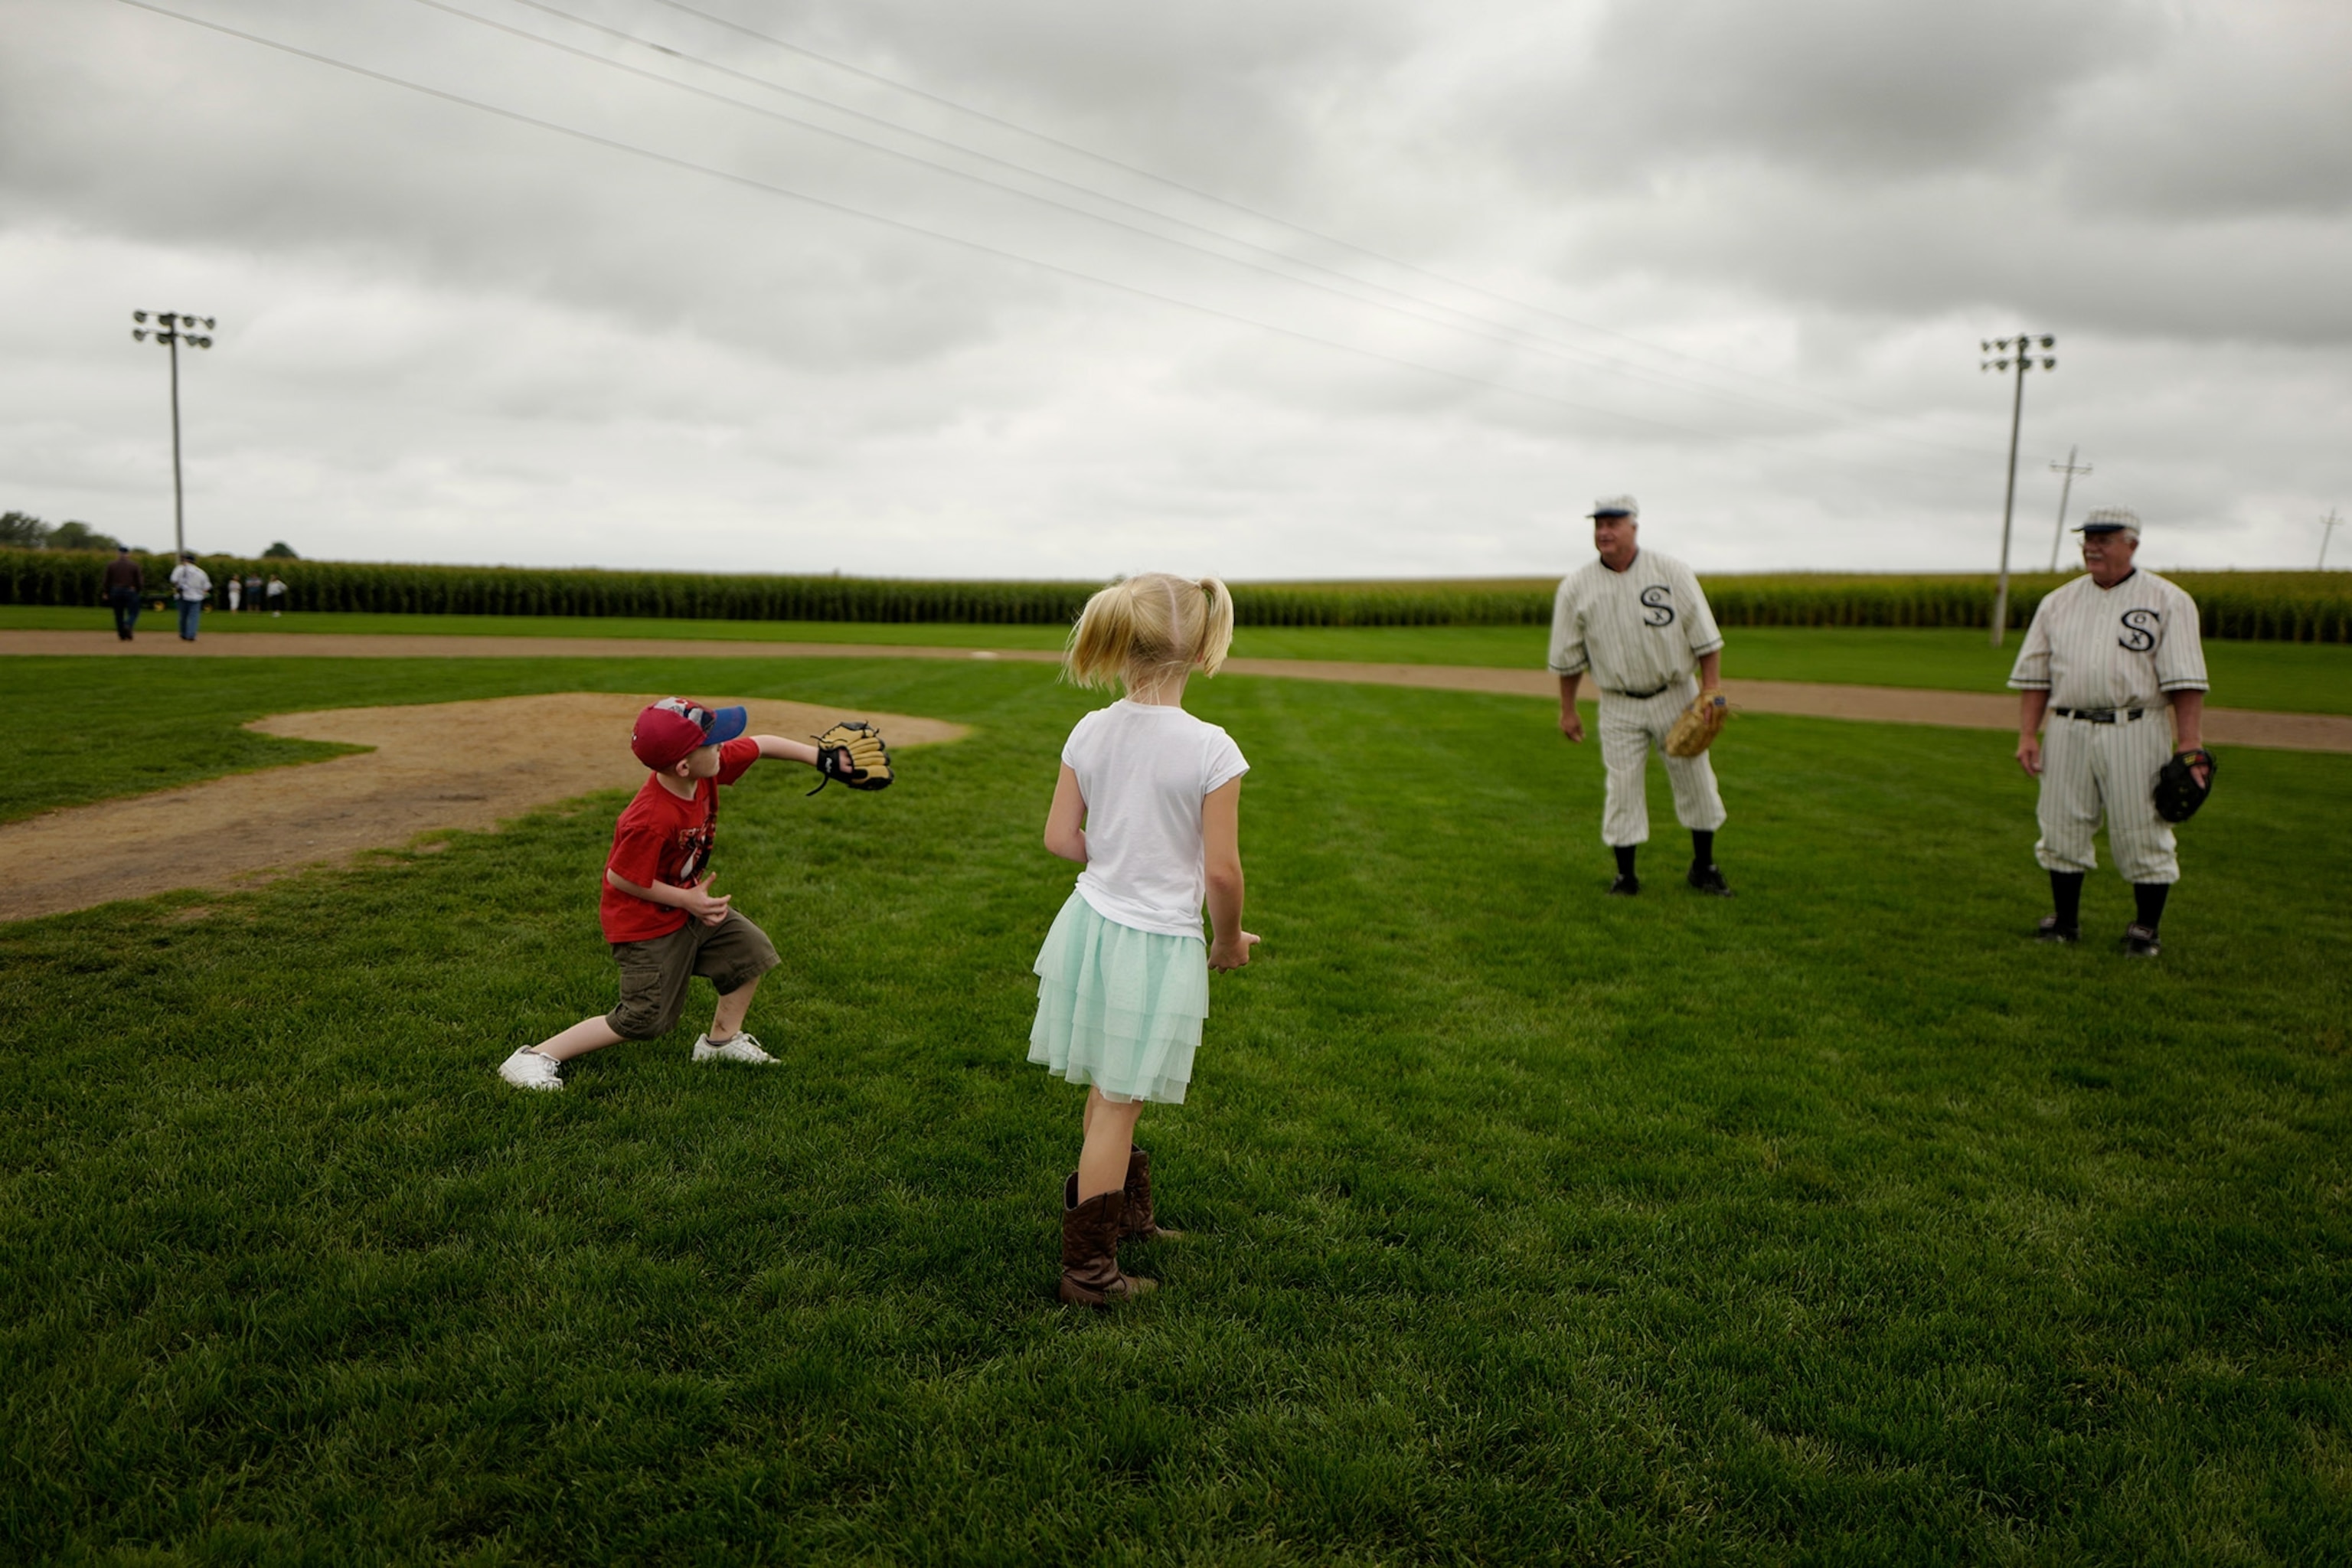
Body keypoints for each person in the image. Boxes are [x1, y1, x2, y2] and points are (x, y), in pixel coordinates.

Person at [1031, 573, 1257, 1307]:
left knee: (1107, 1085)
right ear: (1199, 650)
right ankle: (1090, 1273)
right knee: (1123, 1094)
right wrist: (1227, 941)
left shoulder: (1090, 728)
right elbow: (1222, 871)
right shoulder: (1211, 747)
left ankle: (1125, 1216)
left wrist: (1118, 855)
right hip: (1152, 943)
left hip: (1091, 925)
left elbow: (1060, 838)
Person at [497, 697, 883, 1091]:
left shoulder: (702, 769)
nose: (723, 748)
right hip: (645, 926)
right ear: (684, 765)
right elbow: (621, 878)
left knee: (749, 953)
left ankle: (720, 1043)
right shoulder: (650, 818)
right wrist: (688, 900)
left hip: (688, 907)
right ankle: (534, 1057)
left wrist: (824, 760)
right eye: (715, 744)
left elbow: (763, 743)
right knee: (643, 1019)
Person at [2010, 508, 2210, 957]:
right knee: (2060, 825)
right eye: (2088, 538)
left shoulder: (2168, 600)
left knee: (2142, 827)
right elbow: (2035, 676)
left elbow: (2186, 679)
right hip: (2067, 728)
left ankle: (2145, 929)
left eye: (2105, 538)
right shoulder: (2058, 602)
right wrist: (2028, 735)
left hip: (2135, 727)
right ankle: (2064, 921)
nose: (2092, 546)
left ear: (2132, 544)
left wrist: (2190, 743)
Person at [1549, 496, 1732, 897]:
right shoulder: (1576, 587)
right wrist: (1568, 710)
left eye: (1613, 523)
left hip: (1675, 695)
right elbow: (1568, 658)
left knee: (1696, 780)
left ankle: (1704, 866)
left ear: (1634, 526)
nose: (1604, 531)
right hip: (1618, 703)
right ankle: (1626, 876)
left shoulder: (1671, 572)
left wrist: (1710, 691)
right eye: (1598, 524)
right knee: (1623, 787)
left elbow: (1705, 638)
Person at [168, 553, 211, 642]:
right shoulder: (201, 572)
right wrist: (202, 594)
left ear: (185, 560)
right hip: (196, 597)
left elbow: (173, 580)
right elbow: (207, 586)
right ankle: (191, 635)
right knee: (194, 617)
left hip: (182, 595)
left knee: (183, 616)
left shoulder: (180, 569)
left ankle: (183, 634)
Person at [103, 546, 143, 641]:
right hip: (129, 590)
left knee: (118, 613)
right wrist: (138, 590)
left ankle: (122, 634)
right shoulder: (134, 565)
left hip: (115, 590)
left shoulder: (111, 565)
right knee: (134, 611)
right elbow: (139, 580)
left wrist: (106, 592)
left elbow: (106, 580)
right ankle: (128, 624)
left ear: (118, 553)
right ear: (128, 554)